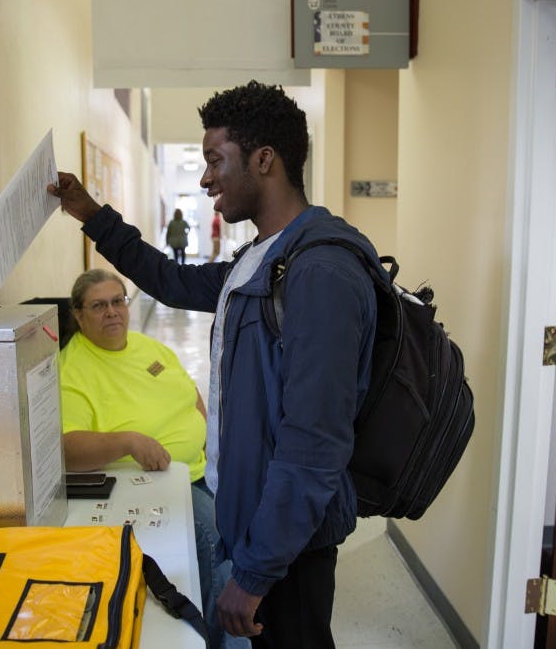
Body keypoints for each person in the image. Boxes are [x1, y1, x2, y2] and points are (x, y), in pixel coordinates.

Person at [49, 81, 381, 649]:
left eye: (214, 161)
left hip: (291, 545)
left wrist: (252, 576)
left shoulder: (320, 275)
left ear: (264, 160)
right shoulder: (263, 258)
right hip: (259, 521)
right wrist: (90, 214)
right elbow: (171, 280)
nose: (205, 179)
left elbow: (313, 447)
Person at [58, 268, 246, 649]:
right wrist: (127, 441)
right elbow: (68, 448)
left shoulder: (148, 347)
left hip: (201, 470)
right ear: (78, 315)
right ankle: (229, 642)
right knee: (219, 543)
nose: (112, 312)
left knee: (251, 525)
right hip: (158, 483)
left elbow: (187, 390)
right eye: (98, 306)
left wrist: (210, 443)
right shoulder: (72, 370)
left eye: (117, 301)